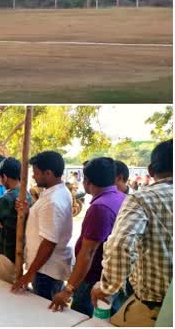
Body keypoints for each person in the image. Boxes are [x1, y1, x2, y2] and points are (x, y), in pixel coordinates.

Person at [91, 139, 173, 326]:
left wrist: (106, 287)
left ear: (151, 170)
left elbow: (121, 245)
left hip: (154, 309)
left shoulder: (142, 198)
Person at [49, 157, 126, 316]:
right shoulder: (120, 197)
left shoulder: (100, 207)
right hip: (111, 278)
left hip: (93, 280)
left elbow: (88, 253)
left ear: (87, 181)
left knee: (82, 319)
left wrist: (68, 290)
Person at [11, 151, 73, 300]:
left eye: (36, 173)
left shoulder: (53, 201)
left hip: (46, 271)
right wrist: (29, 211)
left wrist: (29, 274)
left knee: (44, 316)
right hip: (45, 269)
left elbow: (49, 243)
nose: (33, 176)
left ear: (48, 173)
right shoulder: (56, 193)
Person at [0, 158, 32, 283]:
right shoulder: (26, 194)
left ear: (4, 177)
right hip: (19, 251)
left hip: (5, 253)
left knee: (3, 289)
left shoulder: (7, 197)